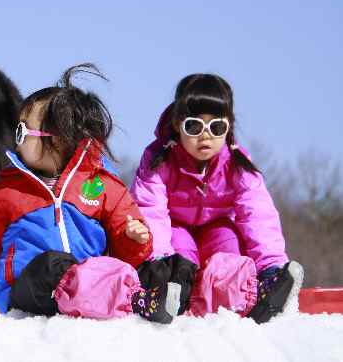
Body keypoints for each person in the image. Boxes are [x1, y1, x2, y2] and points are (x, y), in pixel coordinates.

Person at [0, 64, 181, 323]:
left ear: (58, 140)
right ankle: (134, 300)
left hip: (92, 279)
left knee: (145, 266)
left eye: (23, 134)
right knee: (53, 265)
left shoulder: (103, 186)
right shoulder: (10, 191)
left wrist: (134, 237)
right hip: (30, 287)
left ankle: (165, 296)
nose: (16, 141)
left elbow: (126, 252)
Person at [130, 73, 304, 323]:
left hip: (216, 228)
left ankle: (250, 294)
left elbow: (258, 217)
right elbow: (151, 212)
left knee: (229, 241)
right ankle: (176, 291)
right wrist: (159, 264)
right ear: (178, 124)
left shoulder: (236, 165)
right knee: (180, 248)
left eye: (216, 127)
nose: (205, 136)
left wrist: (271, 267)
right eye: (194, 126)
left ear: (229, 127)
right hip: (176, 229)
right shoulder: (159, 160)